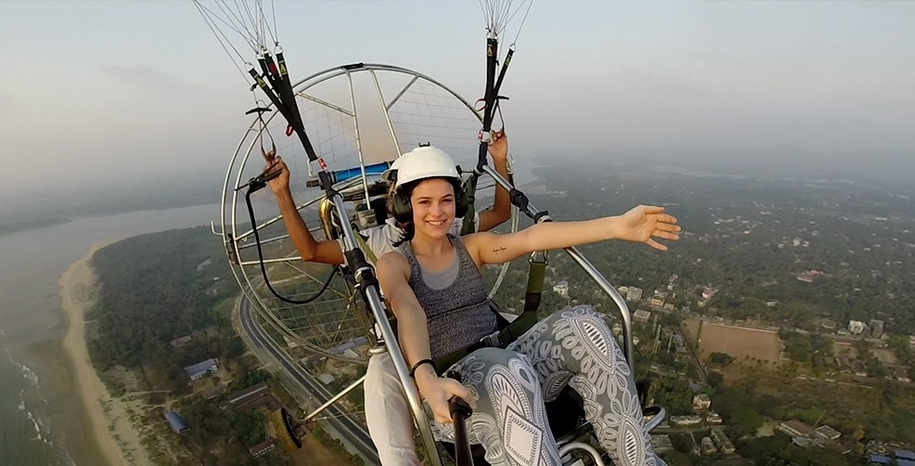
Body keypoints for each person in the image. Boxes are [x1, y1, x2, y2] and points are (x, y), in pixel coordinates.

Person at [376, 150, 680, 466]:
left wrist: (616, 227)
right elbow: (407, 307)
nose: (437, 212)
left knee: (583, 324)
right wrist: (425, 377)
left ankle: (639, 460)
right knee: (505, 370)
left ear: (458, 203)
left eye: (446, 200)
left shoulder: (471, 248)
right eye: (425, 202)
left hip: (510, 363)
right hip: (453, 391)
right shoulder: (395, 263)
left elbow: (532, 237)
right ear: (405, 206)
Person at [262, 134, 513, 465]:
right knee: (382, 373)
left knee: (511, 325)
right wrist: (282, 195)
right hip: (406, 341)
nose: (432, 210)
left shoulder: (449, 225)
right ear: (401, 201)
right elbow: (311, 251)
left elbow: (500, 212)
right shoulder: (373, 243)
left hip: (461, 324)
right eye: (418, 199)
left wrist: (499, 160)